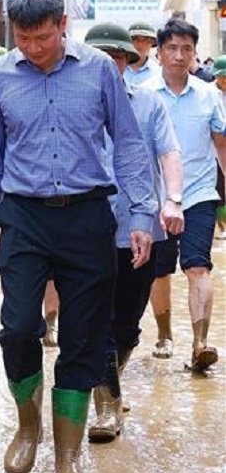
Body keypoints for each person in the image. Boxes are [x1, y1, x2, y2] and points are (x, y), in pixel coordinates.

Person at [0, 0, 156, 473]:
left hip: (88, 216)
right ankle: (28, 426)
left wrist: (141, 216)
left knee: (85, 333)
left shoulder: (99, 70)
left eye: (42, 39)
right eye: (23, 39)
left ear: (63, 26)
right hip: (24, 217)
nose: (32, 49)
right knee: (17, 325)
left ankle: (68, 458)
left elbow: (127, 144)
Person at [81, 22, 184, 442]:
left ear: (129, 61)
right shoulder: (71, 105)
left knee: (127, 325)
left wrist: (173, 199)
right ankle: (107, 407)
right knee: (97, 321)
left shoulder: (149, 104)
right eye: (102, 57)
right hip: (87, 231)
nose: (111, 64)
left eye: (119, 57)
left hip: (140, 228)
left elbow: (168, 152)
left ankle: (109, 381)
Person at [145, 19, 226, 372]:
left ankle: (200, 342)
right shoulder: (144, 94)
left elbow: (221, 144)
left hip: (199, 194)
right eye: (172, 48)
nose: (179, 56)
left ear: (195, 53)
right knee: (158, 271)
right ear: (159, 52)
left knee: (197, 265)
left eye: (187, 49)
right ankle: (164, 336)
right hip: (155, 197)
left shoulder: (209, 95)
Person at [212, 56, 226, 239]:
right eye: (222, 77)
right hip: (214, 150)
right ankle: (221, 225)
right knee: (219, 189)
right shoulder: (208, 93)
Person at [124, 22, 161, 86]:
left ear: (152, 43)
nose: (140, 44)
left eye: (145, 40)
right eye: (135, 39)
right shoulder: (118, 67)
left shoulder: (158, 71)